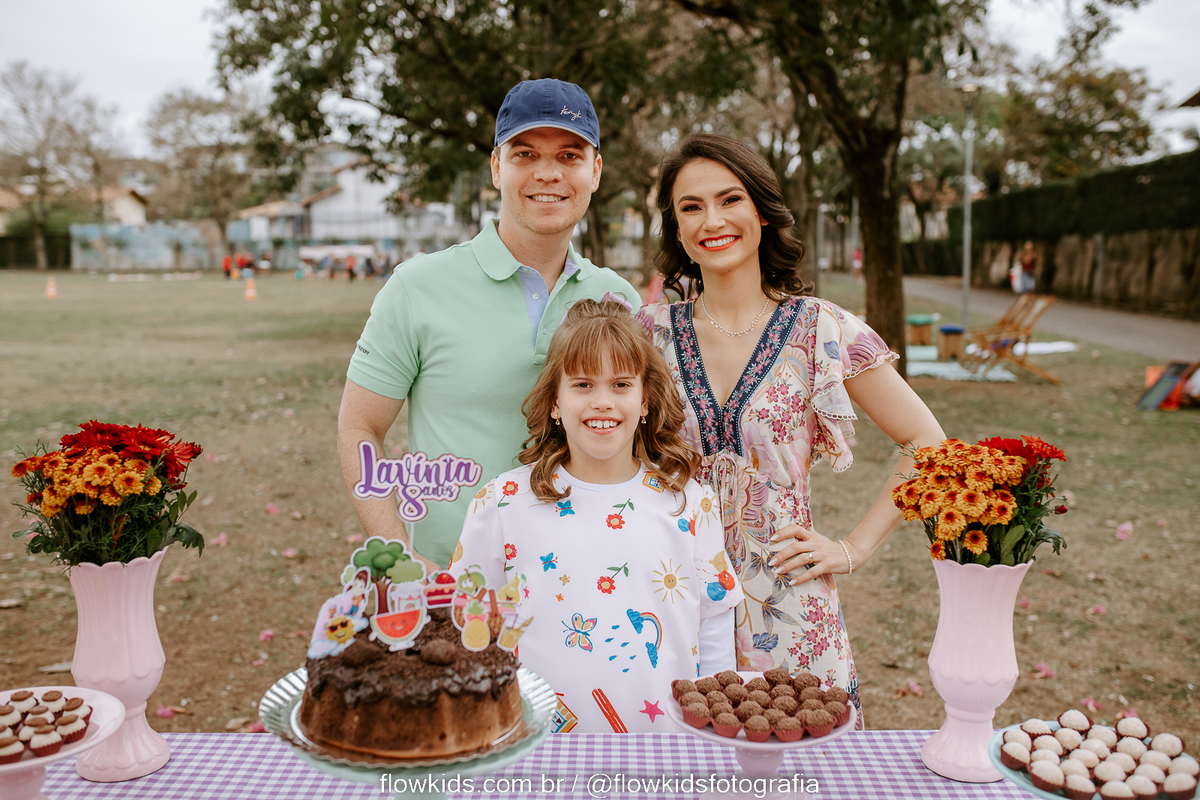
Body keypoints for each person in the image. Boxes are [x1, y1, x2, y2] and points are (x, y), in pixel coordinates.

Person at [636, 134, 945, 725]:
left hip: (789, 611)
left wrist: (853, 548)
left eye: (730, 199)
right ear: (676, 229)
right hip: (668, 601)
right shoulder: (645, 335)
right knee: (672, 761)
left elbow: (928, 443)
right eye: (691, 207)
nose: (712, 220)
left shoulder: (821, 330)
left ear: (761, 211)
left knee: (797, 759)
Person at [338, 79, 639, 574]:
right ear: (497, 168)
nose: (548, 173)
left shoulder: (619, 299)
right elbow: (359, 426)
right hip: (453, 586)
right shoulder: (417, 287)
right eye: (525, 154)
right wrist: (401, 558)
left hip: (589, 582)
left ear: (595, 171)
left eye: (569, 156)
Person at [451, 299, 743, 733]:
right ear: (555, 401)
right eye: (583, 385)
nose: (602, 402)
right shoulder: (502, 502)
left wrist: (715, 729)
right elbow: (466, 621)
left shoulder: (691, 503)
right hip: (536, 745)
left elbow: (714, 627)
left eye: (621, 384)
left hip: (667, 745)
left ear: (645, 400)